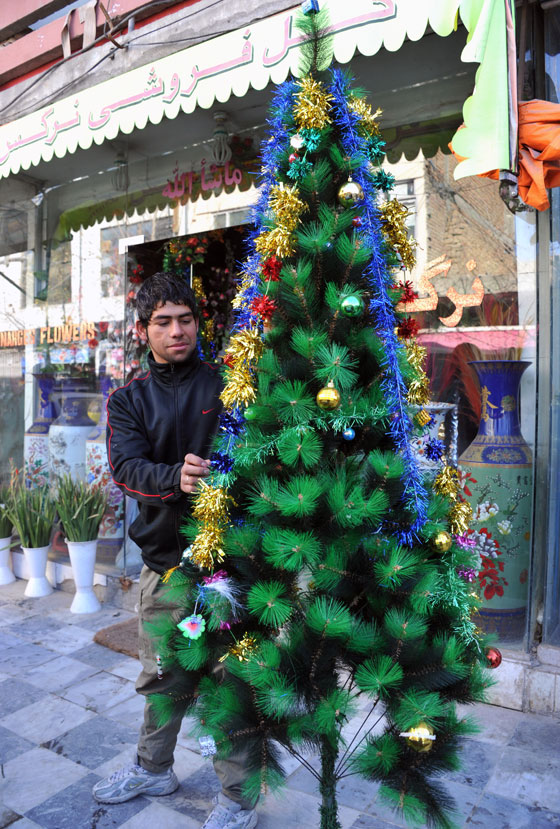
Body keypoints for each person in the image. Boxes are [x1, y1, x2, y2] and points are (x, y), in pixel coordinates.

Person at [92, 272, 258, 829]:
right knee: (161, 677)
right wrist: (175, 478)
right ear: (144, 331)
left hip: (231, 567)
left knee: (230, 684)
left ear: (197, 323)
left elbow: (262, 454)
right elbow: (126, 468)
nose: (177, 330)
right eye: (163, 322)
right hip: (165, 568)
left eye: (185, 319)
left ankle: (237, 800)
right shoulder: (127, 400)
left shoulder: (231, 384)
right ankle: (153, 768)